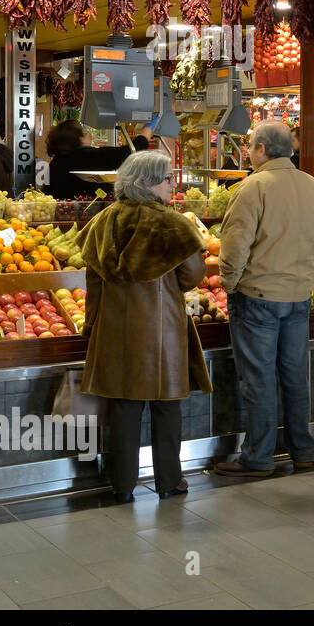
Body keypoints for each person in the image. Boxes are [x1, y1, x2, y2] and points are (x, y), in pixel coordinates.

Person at [78, 150, 209, 502]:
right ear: (149, 183)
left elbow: (92, 282)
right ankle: (169, 482)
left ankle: (122, 485)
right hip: (162, 329)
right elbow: (193, 274)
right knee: (167, 406)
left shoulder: (103, 221)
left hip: (114, 329)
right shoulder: (172, 223)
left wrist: (90, 324)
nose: (173, 185)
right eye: (168, 179)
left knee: (123, 406)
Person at [213, 120, 314, 477]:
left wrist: (230, 283)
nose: (250, 154)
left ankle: (258, 457)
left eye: (251, 147)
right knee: (295, 375)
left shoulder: (252, 188)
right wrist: (301, 272)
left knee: (259, 379)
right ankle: (303, 450)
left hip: (257, 297)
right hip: (298, 296)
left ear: (262, 149)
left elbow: (234, 248)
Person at [46, 119, 131, 200]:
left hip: (60, 211)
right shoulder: (87, 155)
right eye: (86, 134)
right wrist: (144, 132)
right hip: (87, 212)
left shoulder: (56, 161)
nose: (91, 137)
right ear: (81, 138)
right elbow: (129, 152)